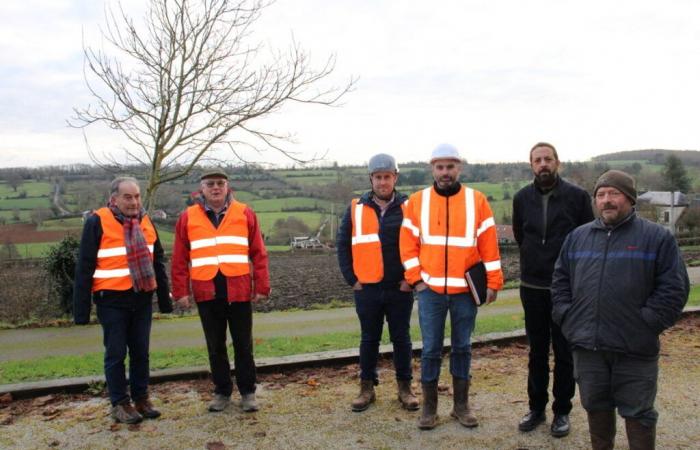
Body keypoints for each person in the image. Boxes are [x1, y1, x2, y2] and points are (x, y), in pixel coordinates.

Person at [552, 170, 689, 449]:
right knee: (596, 407)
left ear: (630, 199)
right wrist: (568, 317)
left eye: (614, 193)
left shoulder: (656, 238)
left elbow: (674, 288)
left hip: (634, 348)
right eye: (600, 195)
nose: (606, 200)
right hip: (587, 347)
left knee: (639, 413)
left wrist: (647, 322)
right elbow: (560, 281)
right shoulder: (577, 238)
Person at [400, 143, 504, 430]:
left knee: (462, 348)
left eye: (450, 166)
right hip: (431, 291)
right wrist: (417, 280)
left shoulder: (477, 200)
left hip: (465, 293)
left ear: (459, 168)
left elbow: (489, 246)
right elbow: (407, 246)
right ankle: (429, 409)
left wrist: (493, 282)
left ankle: (461, 406)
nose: (445, 172)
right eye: (440, 167)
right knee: (431, 349)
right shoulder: (417, 202)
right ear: (432, 168)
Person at [73, 176, 172, 424]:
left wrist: (165, 299)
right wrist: (81, 311)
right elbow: (84, 267)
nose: (133, 202)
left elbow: (157, 260)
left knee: (141, 352)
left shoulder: (146, 221)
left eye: (137, 196)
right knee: (116, 354)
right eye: (127, 197)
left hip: (142, 298)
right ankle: (119, 403)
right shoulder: (97, 221)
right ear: (114, 198)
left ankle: (141, 398)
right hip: (111, 300)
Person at [171, 168, 270, 413]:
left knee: (243, 345)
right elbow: (179, 257)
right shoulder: (188, 216)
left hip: (238, 290)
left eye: (220, 183)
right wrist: (181, 291)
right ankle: (222, 391)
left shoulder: (244, 212)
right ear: (201, 189)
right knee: (215, 345)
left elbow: (259, 252)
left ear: (228, 187)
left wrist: (262, 285)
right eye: (210, 184)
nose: (216, 188)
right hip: (206, 290)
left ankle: (248, 392)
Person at [512, 142, 594, 437]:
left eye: (548, 159)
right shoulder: (521, 198)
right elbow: (522, 236)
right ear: (531, 165)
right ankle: (536, 408)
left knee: (564, 352)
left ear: (557, 162)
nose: (543, 164)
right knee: (536, 352)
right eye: (537, 160)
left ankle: (562, 411)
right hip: (531, 286)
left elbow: (587, 239)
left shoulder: (577, 197)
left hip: (565, 288)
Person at [336, 153, 418, 412]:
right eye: (378, 177)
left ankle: (405, 388)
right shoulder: (354, 208)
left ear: (395, 177)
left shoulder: (410, 208)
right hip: (367, 289)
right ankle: (366, 388)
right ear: (370, 179)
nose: (383, 182)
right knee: (369, 339)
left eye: (387, 177)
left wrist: (410, 280)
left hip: (399, 288)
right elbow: (342, 246)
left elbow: (420, 245)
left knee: (401, 339)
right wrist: (352, 279)